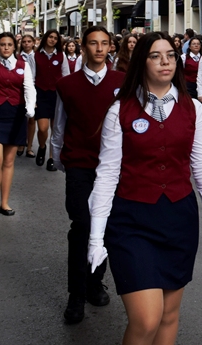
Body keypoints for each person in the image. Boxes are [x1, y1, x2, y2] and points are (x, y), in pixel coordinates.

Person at [87, 32, 202, 344]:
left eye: (171, 55)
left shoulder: (192, 109)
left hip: (178, 219)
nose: (165, 61)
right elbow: (107, 176)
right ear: (142, 62)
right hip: (131, 221)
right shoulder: (119, 110)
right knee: (146, 320)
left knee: (168, 316)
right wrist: (96, 238)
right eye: (155, 55)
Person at [50, 26, 125, 324]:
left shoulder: (123, 83)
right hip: (79, 165)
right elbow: (60, 125)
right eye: (92, 43)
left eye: (104, 44)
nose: (98, 49)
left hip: (113, 166)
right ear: (82, 47)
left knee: (104, 227)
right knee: (81, 226)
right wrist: (59, 159)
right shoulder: (66, 85)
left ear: (110, 48)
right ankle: (76, 295)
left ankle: (95, 282)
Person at [0, 0, 36, 219]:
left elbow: (29, 87)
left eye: (9, 44)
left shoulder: (24, 64)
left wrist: (30, 108)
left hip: (14, 114)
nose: (5, 47)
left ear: (15, 46)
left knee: (9, 161)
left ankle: (5, 202)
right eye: (2, 44)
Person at [34, 30, 64, 171]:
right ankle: (41, 146)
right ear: (46, 38)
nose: (52, 40)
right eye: (50, 37)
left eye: (55, 38)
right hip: (41, 94)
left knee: (55, 128)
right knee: (42, 128)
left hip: (57, 95)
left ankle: (51, 158)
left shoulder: (61, 55)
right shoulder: (36, 55)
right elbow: (32, 77)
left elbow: (66, 77)